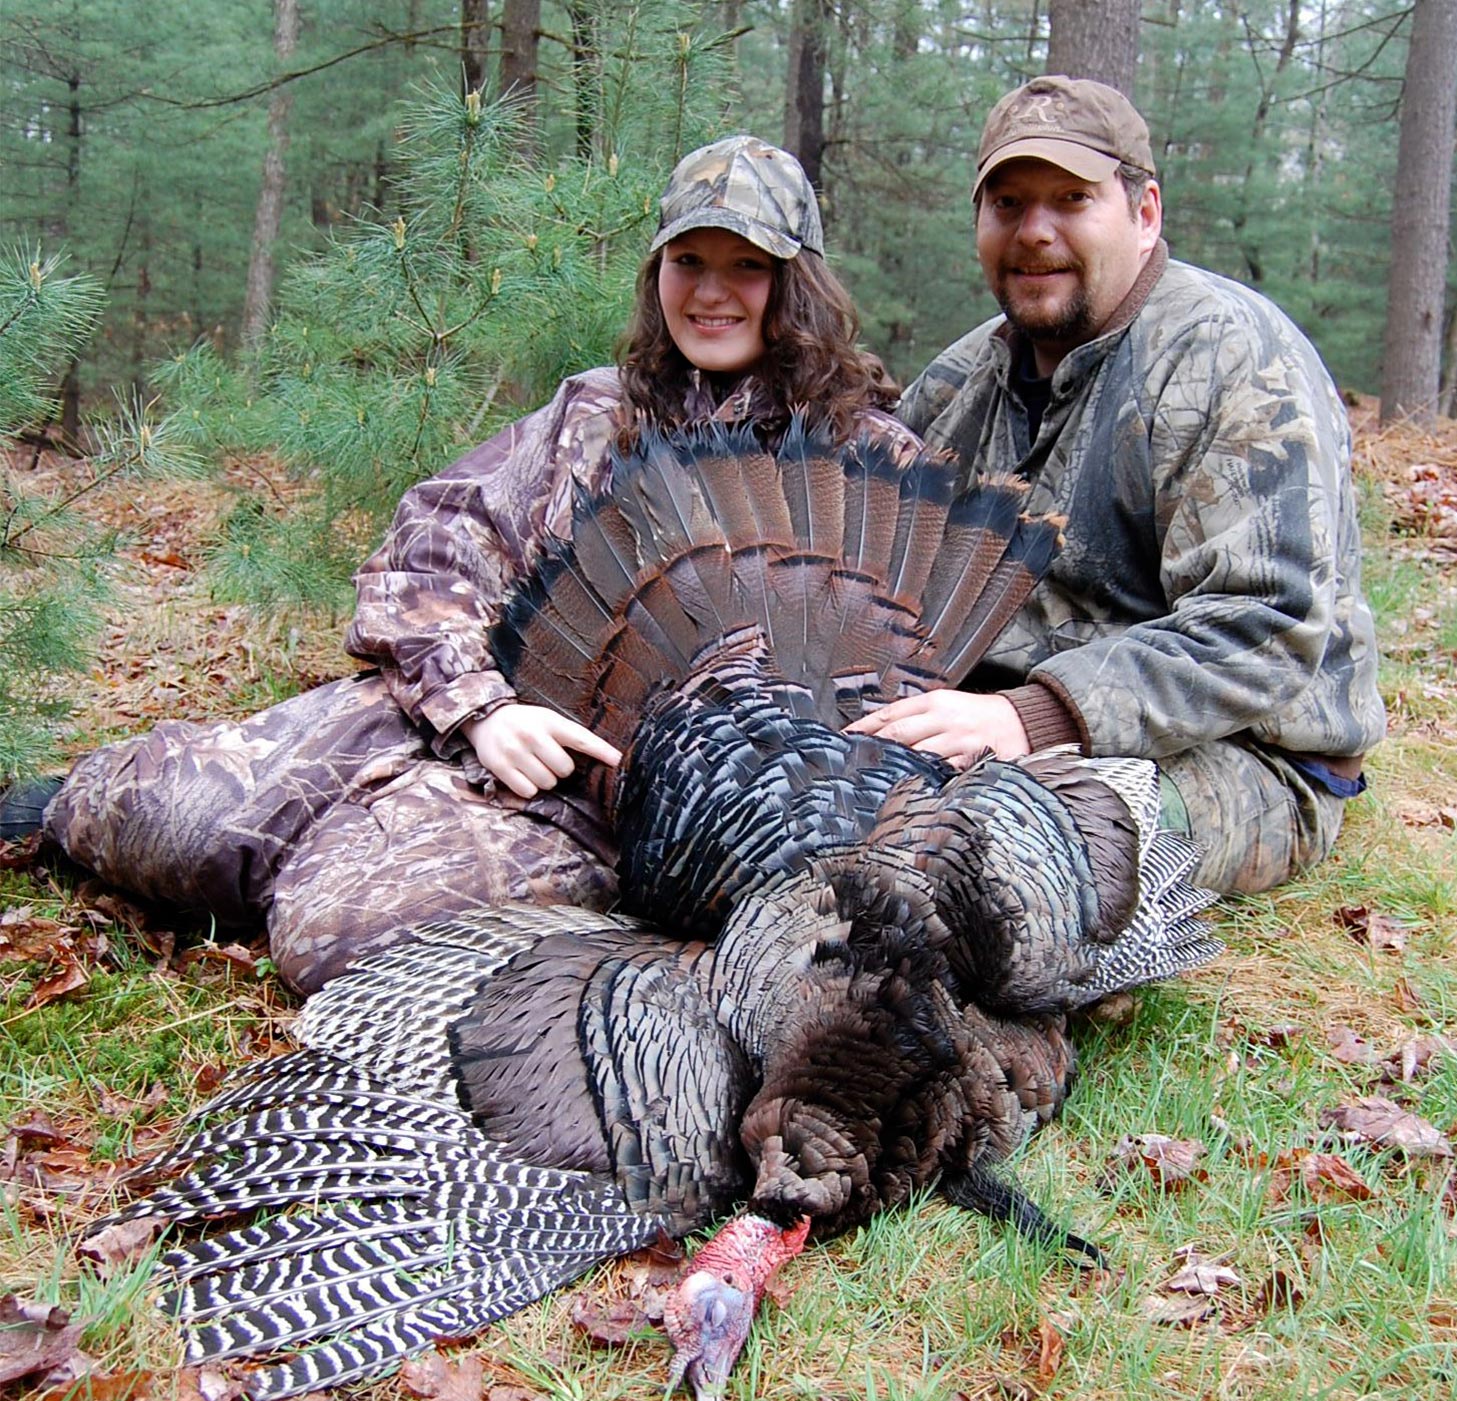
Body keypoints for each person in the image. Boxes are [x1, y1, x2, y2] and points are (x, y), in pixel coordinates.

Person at [13, 136, 911, 995]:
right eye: (689, 263)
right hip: (457, 719)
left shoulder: (866, 459)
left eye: (746, 267)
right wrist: (480, 709)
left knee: (340, 935)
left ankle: (389, 871)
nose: (712, 293)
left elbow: (902, 695)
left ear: (797, 285)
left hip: (603, 812)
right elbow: (429, 553)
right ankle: (67, 815)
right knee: (163, 817)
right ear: (657, 273)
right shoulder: (592, 412)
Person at [847, 75, 1385, 894]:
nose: (1035, 233)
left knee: (1002, 863)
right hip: (994, 727)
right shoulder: (965, 379)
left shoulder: (1228, 357)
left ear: (1144, 213)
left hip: (1242, 755)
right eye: (1008, 205)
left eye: (1071, 199)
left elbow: (1263, 628)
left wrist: (1031, 717)